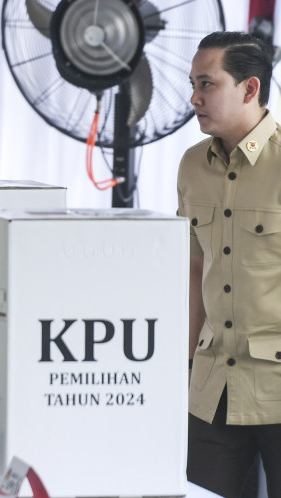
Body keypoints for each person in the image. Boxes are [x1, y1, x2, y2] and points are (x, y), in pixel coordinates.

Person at [177, 31, 281, 497]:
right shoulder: (191, 166)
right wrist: (183, 366)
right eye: (192, 85)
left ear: (250, 88)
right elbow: (195, 270)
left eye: (207, 84)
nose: (194, 98)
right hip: (212, 386)